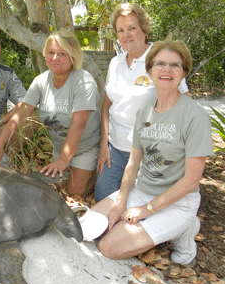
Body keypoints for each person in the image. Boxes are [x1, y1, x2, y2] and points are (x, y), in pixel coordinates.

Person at [91, 37, 214, 265]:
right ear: (149, 71)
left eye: (175, 65)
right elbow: (133, 164)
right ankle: (155, 226)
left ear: (183, 72)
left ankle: (185, 228)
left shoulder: (195, 116)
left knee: (107, 247)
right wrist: (122, 200)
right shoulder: (145, 113)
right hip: (142, 191)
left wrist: (147, 210)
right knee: (89, 228)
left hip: (178, 202)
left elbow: (191, 181)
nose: (167, 69)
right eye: (160, 64)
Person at [0, 30, 101, 197]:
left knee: (75, 193)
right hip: (60, 147)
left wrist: (62, 161)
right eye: (51, 53)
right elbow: (21, 114)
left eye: (62, 53)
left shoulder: (84, 82)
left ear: (73, 56)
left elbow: (78, 125)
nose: (55, 58)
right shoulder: (41, 80)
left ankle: (95, 175)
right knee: (55, 190)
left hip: (85, 148)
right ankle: (7, 162)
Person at [95, 3, 191, 202]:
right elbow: (107, 106)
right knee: (103, 203)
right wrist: (104, 145)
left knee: (134, 212)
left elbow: (185, 103)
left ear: (145, 30)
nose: (126, 34)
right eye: (120, 30)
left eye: (132, 28)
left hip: (149, 153)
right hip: (115, 150)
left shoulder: (161, 59)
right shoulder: (116, 63)